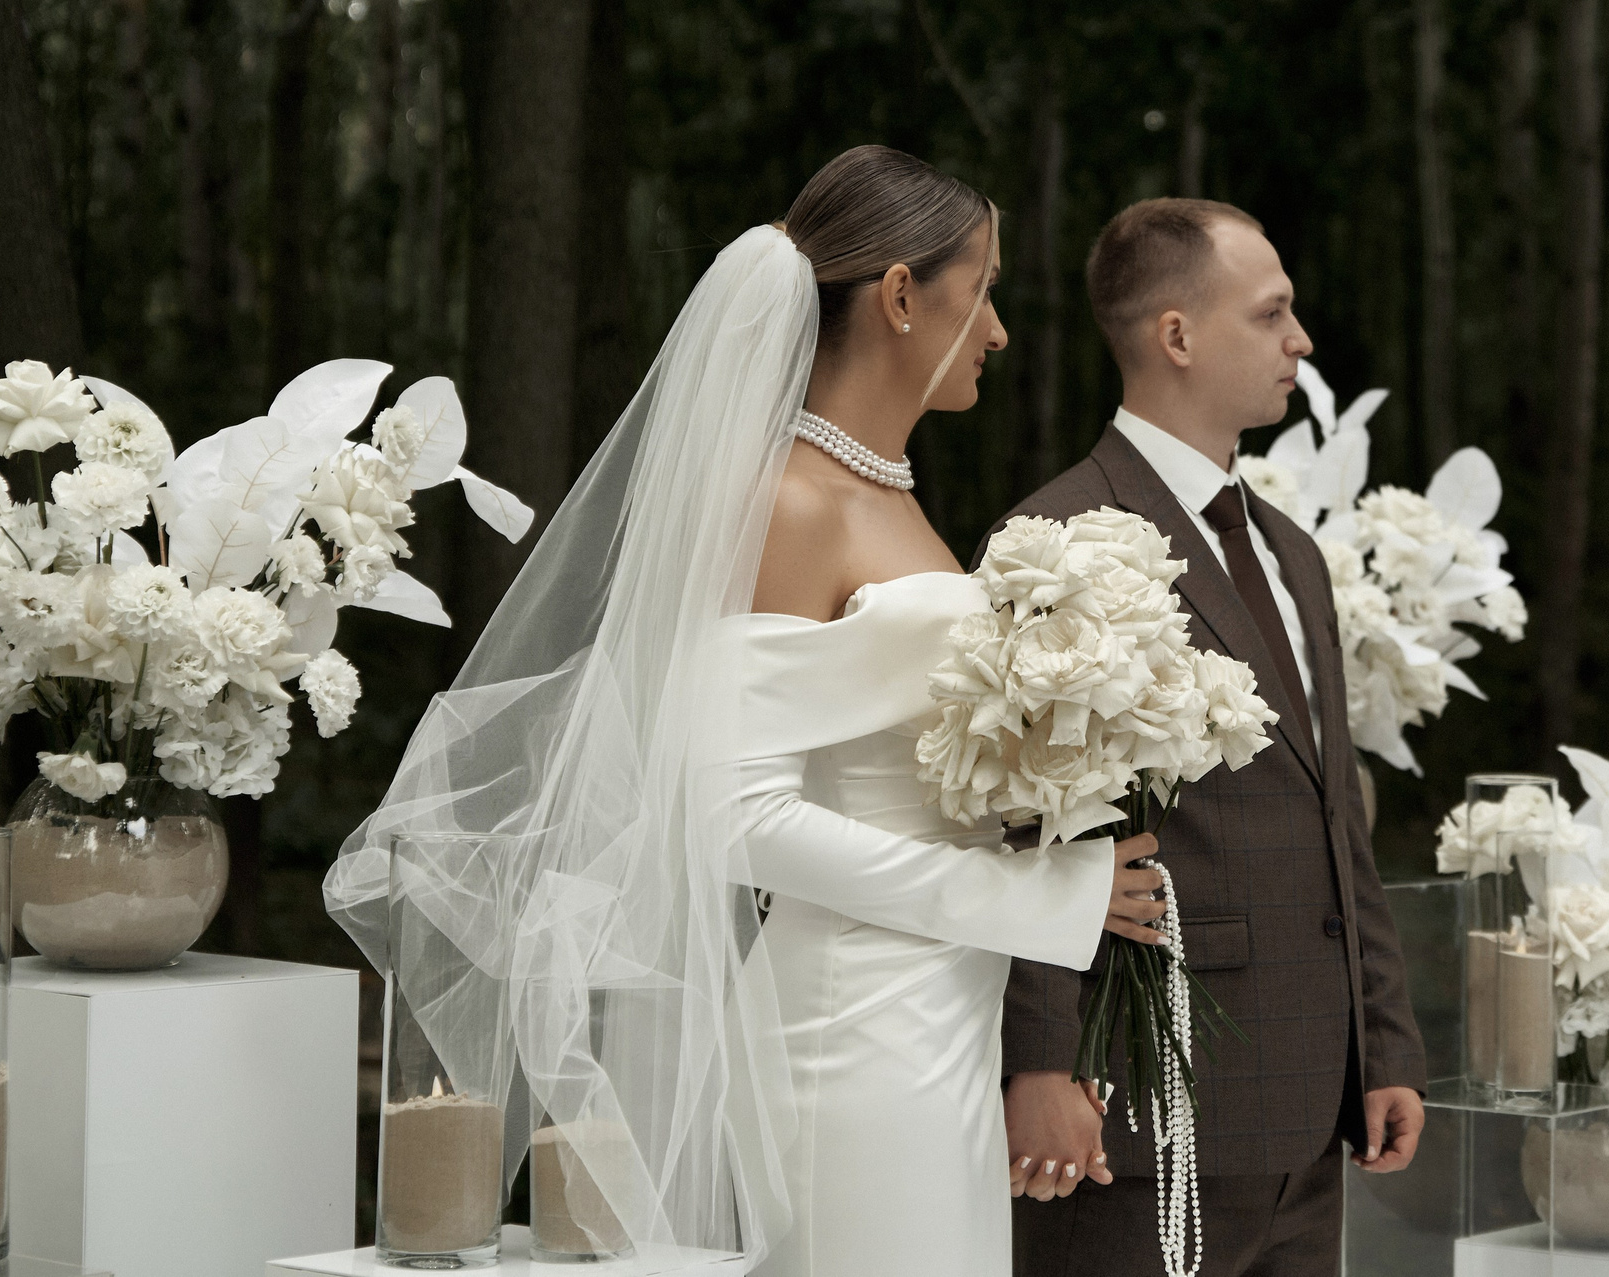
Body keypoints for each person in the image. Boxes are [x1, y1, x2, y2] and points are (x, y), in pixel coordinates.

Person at [326, 146, 1162, 1275]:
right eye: (987, 285)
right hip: (853, 1028)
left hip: (939, 1017)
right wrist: (1033, 896)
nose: (1002, 328)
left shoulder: (890, 496)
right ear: (906, 295)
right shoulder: (787, 500)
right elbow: (735, 818)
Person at [997, 198, 1428, 1277]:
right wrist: (1040, 1061)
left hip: (1310, 1103)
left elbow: (1335, 814)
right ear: (1176, 334)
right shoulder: (1055, 539)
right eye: (1273, 312)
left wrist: (1383, 1043)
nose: (1302, 340)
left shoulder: (1292, 553)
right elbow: (1024, 820)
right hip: (1146, 1104)